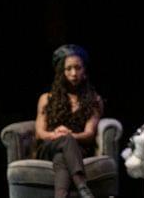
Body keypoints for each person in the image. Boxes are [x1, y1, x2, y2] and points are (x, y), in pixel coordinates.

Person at [35, 44, 103, 198]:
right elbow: (40, 133)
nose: (74, 73)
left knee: (61, 158)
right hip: (49, 146)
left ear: (84, 70)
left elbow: (89, 134)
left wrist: (70, 136)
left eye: (78, 68)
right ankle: (82, 186)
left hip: (78, 150)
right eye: (69, 69)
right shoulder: (47, 98)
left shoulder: (94, 100)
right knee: (65, 142)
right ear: (61, 72)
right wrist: (57, 135)